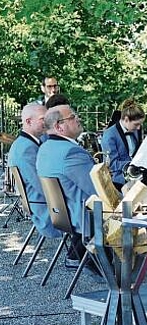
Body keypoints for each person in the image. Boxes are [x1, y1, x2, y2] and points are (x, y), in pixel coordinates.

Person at [36, 105, 97, 266]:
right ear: (58, 126)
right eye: (72, 117)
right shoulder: (71, 152)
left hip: (61, 216)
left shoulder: (44, 148)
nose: (78, 118)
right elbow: (98, 190)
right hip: (84, 218)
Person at [8, 103, 62, 239]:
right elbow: (43, 187)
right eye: (43, 119)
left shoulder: (23, 144)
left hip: (40, 206)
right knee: (93, 214)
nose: (47, 122)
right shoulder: (26, 148)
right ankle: (77, 257)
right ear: (28, 121)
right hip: (46, 213)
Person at [101, 98, 145, 191]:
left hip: (135, 176)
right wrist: (134, 164)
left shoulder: (134, 130)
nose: (138, 128)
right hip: (118, 181)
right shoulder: (109, 135)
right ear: (126, 119)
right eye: (136, 124)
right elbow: (112, 164)